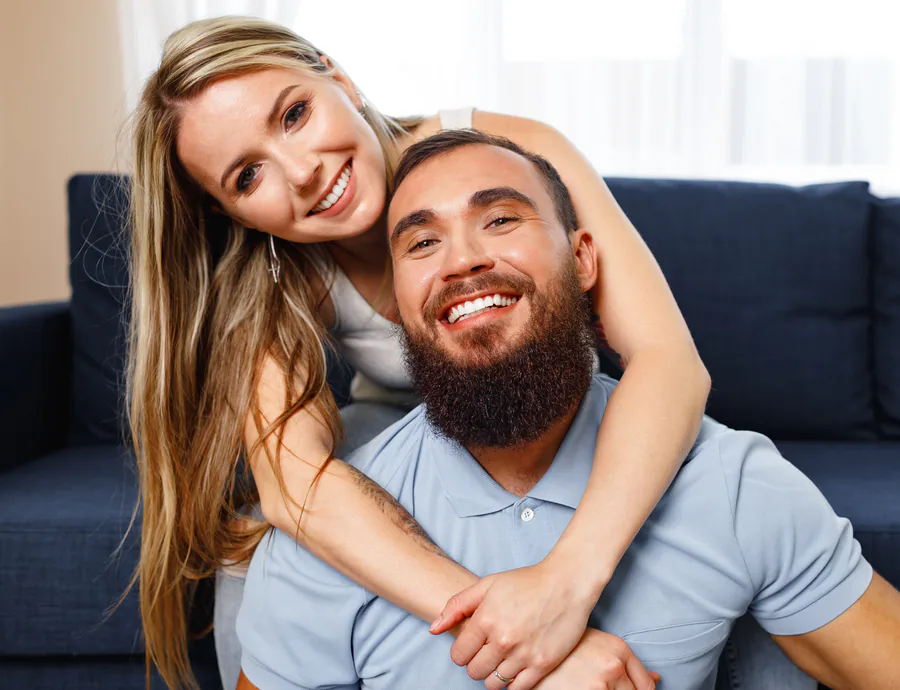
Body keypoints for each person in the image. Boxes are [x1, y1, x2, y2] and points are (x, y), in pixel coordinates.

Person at [127, 16, 715, 690]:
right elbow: (296, 488)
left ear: (337, 77)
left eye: (294, 114)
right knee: (263, 562)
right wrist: (513, 629)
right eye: (248, 175)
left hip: (543, 404)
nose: (303, 172)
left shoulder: (508, 151)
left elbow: (668, 360)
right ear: (233, 215)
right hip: (401, 432)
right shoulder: (270, 276)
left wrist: (566, 584)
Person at [233, 129, 900, 690]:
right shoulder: (325, 545)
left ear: (583, 259)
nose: (463, 259)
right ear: (397, 304)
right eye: (422, 243)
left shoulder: (735, 485)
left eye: (499, 219)